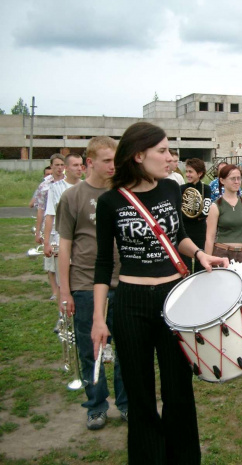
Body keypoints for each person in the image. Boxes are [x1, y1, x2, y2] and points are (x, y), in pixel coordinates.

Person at [91, 122, 227, 464]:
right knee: (139, 395)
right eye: (163, 151)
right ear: (139, 155)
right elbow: (104, 263)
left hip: (173, 300)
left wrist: (199, 253)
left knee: (178, 391)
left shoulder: (170, 189)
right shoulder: (110, 202)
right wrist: (98, 318)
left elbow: (178, 236)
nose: (170, 157)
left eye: (170, 150)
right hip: (130, 304)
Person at [56, 137, 127, 431]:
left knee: (126, 349)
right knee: (91, 349)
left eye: (116, 160)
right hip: (85, 283)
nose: (113, 166)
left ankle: (126, 404)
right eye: (108, 160)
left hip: (122, 282)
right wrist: (64, 290)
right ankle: (96, 406)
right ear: (90, 163)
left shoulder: (123, 193)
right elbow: (65, 243)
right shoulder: (73, 197)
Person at [205, 164, 242, 263]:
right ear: (222, 181)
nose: (236, 182)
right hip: (222, 254)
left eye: (239, 178)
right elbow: (210, 237)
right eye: (232, 179)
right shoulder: (216, 206)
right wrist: (208, 260)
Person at [34, 154, 65, 300]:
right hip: (49, 226)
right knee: (50, 262)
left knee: (62, 259)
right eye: (56, 165)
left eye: (61, 165)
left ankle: (63, 288)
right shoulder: (45, 185)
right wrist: (38, 232)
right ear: (51, 166)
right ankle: (54, 291)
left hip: (63, 225)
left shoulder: (68, 183)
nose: (59, 168)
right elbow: (41, 209)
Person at [180, 158, 212, 273]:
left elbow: (205, 211)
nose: (187, 174)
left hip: (200, 230)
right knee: (185, 263)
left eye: (190, 172)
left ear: (199, 173)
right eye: (187, 171)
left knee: (200, 262)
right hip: (185, 229)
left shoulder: (206, 189)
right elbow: (180, 211)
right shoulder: (182, 189)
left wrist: (192, 214)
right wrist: (191, 214)